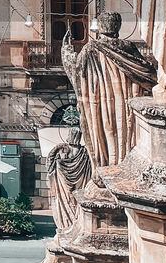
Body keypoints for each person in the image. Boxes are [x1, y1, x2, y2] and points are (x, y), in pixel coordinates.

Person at [62, 11, 155, 167]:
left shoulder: (90, 48)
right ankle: (123, 163)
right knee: (124, 134)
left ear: (99, 26)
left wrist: (66, 51)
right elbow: (147, 73)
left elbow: (76, 74)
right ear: (118, 26)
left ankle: (107, 165)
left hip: (100, 105)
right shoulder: (127, 47)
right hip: (124, 103)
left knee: (106, 132)